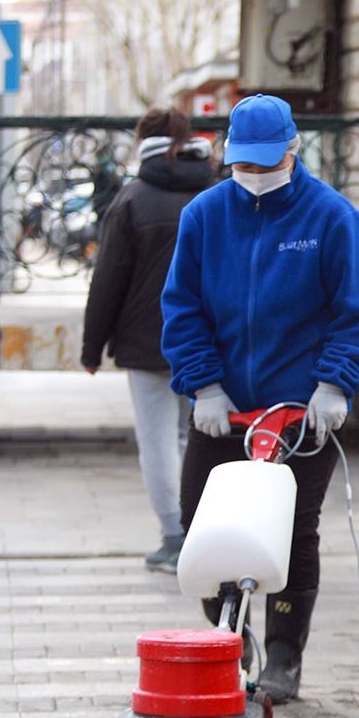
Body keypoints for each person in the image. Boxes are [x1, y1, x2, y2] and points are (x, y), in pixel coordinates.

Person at [161, 94, 359, 704]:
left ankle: (285, 657)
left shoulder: (332, 219)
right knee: (201, 524)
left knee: (291, 533)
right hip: (221, 408)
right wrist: (203, 383)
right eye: (243, 166)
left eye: (266, 164)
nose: (254, 176)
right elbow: (182, 307)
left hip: (299, 415)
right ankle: (228, 645)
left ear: (293, 151)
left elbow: (357, 312)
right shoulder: (204, 216)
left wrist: (335, 383)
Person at [81, 109, 215, 573]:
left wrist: (91, 347)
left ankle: (176, 537)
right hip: (208, 340)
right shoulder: (218, 194)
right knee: (195, 436)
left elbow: (108, 280)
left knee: (158, 441)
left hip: (146, 338)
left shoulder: (132, 199)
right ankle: (204, 529)